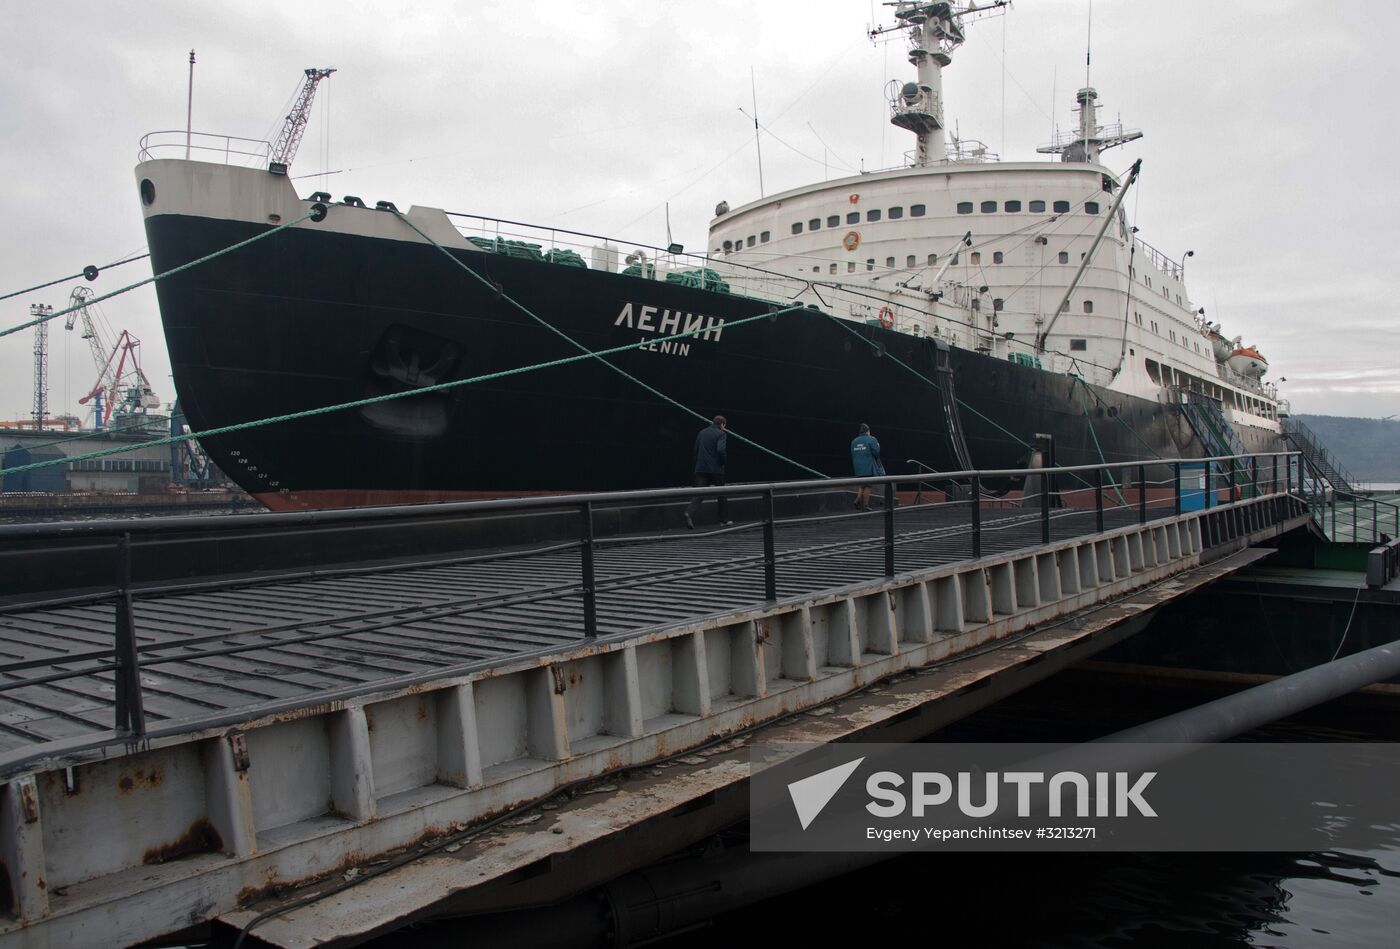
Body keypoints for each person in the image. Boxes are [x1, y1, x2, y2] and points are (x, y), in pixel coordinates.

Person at [685, 415, 730, 528]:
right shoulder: (721, 433)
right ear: (722, 424)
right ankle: (723, 520)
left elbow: (696, 449)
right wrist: (723, 463)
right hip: (715, 469)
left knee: (699, 494)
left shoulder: (702, 432)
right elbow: (720, 450)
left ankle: (689, 513)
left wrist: (698, 464)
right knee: (722, 495)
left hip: (701, 468)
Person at [851, 422, 882, 511]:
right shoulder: (871, 439)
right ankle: (865, 505)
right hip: (868, 466)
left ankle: (857, 500)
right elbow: (876, 453)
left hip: (857, 467)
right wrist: (878, 446)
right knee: (868, 485)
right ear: (868, 431)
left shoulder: (854, 441)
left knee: (862, 485)